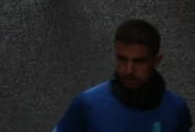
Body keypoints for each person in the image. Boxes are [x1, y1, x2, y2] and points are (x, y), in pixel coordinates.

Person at [55, 20, 192, 132]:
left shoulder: (176, 109)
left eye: (139, 61)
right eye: (122, 59)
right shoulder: (87, 105)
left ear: (156, 61)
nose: (129, 70)